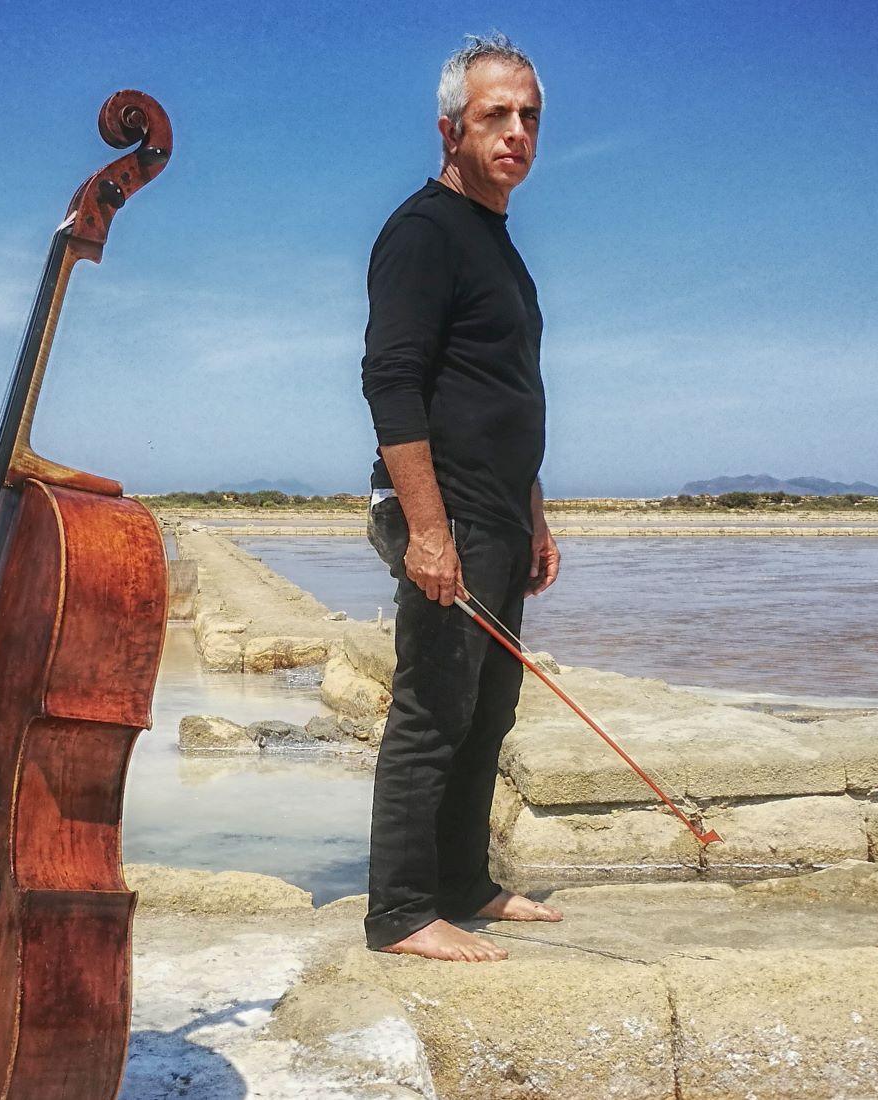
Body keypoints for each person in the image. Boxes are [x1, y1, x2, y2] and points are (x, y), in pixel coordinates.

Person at [360, 32, 562, 962]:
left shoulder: (496, 239)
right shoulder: (422, 232)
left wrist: (534, 508)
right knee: (432, 710)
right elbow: (392, 384)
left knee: (489, 711)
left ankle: (462, 884)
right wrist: (428, 531)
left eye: (528, 116)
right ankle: (400, 912)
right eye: (495, 115)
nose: (516, 131)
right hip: (446, 516)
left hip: (497, 512)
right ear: (450, 129)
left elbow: (498, 389)